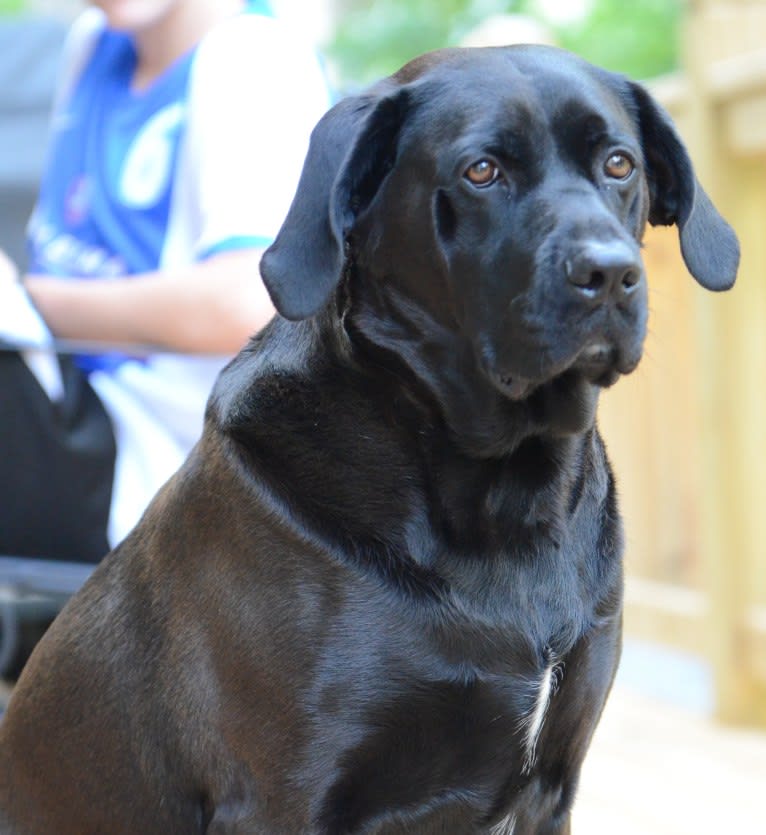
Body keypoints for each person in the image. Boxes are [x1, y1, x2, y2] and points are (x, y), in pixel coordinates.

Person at [0, 0, 330, 560]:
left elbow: (247, 302)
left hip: (158, 466)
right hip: (64, 401)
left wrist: (29, 304)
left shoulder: (253, 59)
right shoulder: (95, 42)